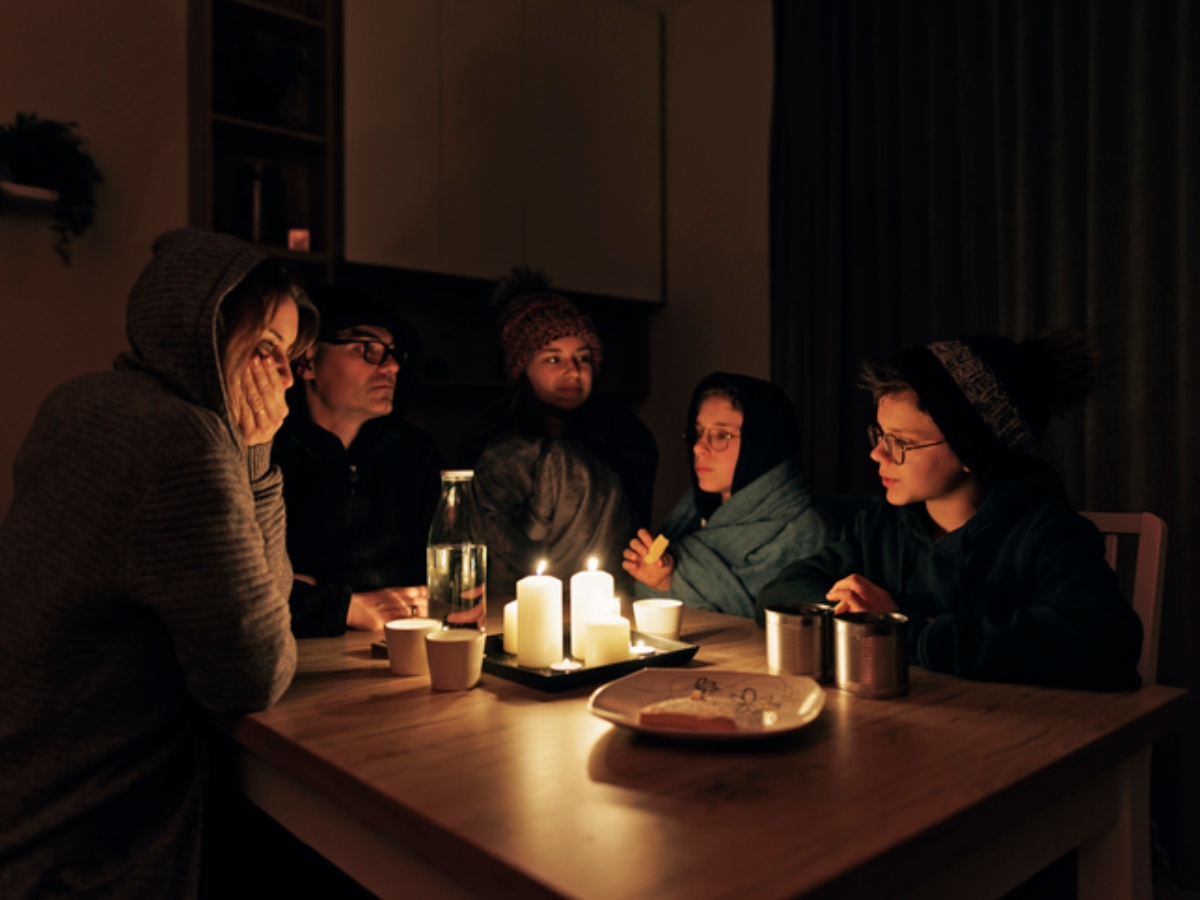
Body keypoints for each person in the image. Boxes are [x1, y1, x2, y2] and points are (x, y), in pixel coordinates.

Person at [0, 228, 318, 898]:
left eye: (290, 356)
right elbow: (254, 674)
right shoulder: (185, 447)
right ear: (202, 331)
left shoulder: (78, 399)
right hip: (96, 848)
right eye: (267, 350)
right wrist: (257, 459)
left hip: (24, 791)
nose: (287, 378)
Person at [757, 331, 1143, 691]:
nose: (877, 454)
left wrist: (905, 630)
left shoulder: (1048, 533)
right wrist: (854, 612)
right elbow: (780, 593)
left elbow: (1107, 640)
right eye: (879, 434)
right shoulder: (879, 526)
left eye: (901, 442)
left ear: (974, 451)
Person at [462, 268, 657, 595]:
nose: (573, 370)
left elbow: (630, 537)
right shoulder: (492, 443)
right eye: (553, 359)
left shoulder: (624, 437)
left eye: (583, 358)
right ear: (522, 368)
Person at [273, 285, 442, 637]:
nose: (392, 365)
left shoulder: (417, 455)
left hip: (400, 650)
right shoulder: (268, 457)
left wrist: (317, 586)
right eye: (369, 350)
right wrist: (342, 605)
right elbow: (250, 592)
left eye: (395, 353)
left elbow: (432, 581)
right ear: (306, 361)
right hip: (303, 664)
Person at [622, 372, 829, 618]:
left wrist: (671, 584)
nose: (699, 447)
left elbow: (768, 626)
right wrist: (658, 580)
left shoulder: (806, 532)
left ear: (760, 444)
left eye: (721, 435)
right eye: (698, 433)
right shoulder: (690, 514)